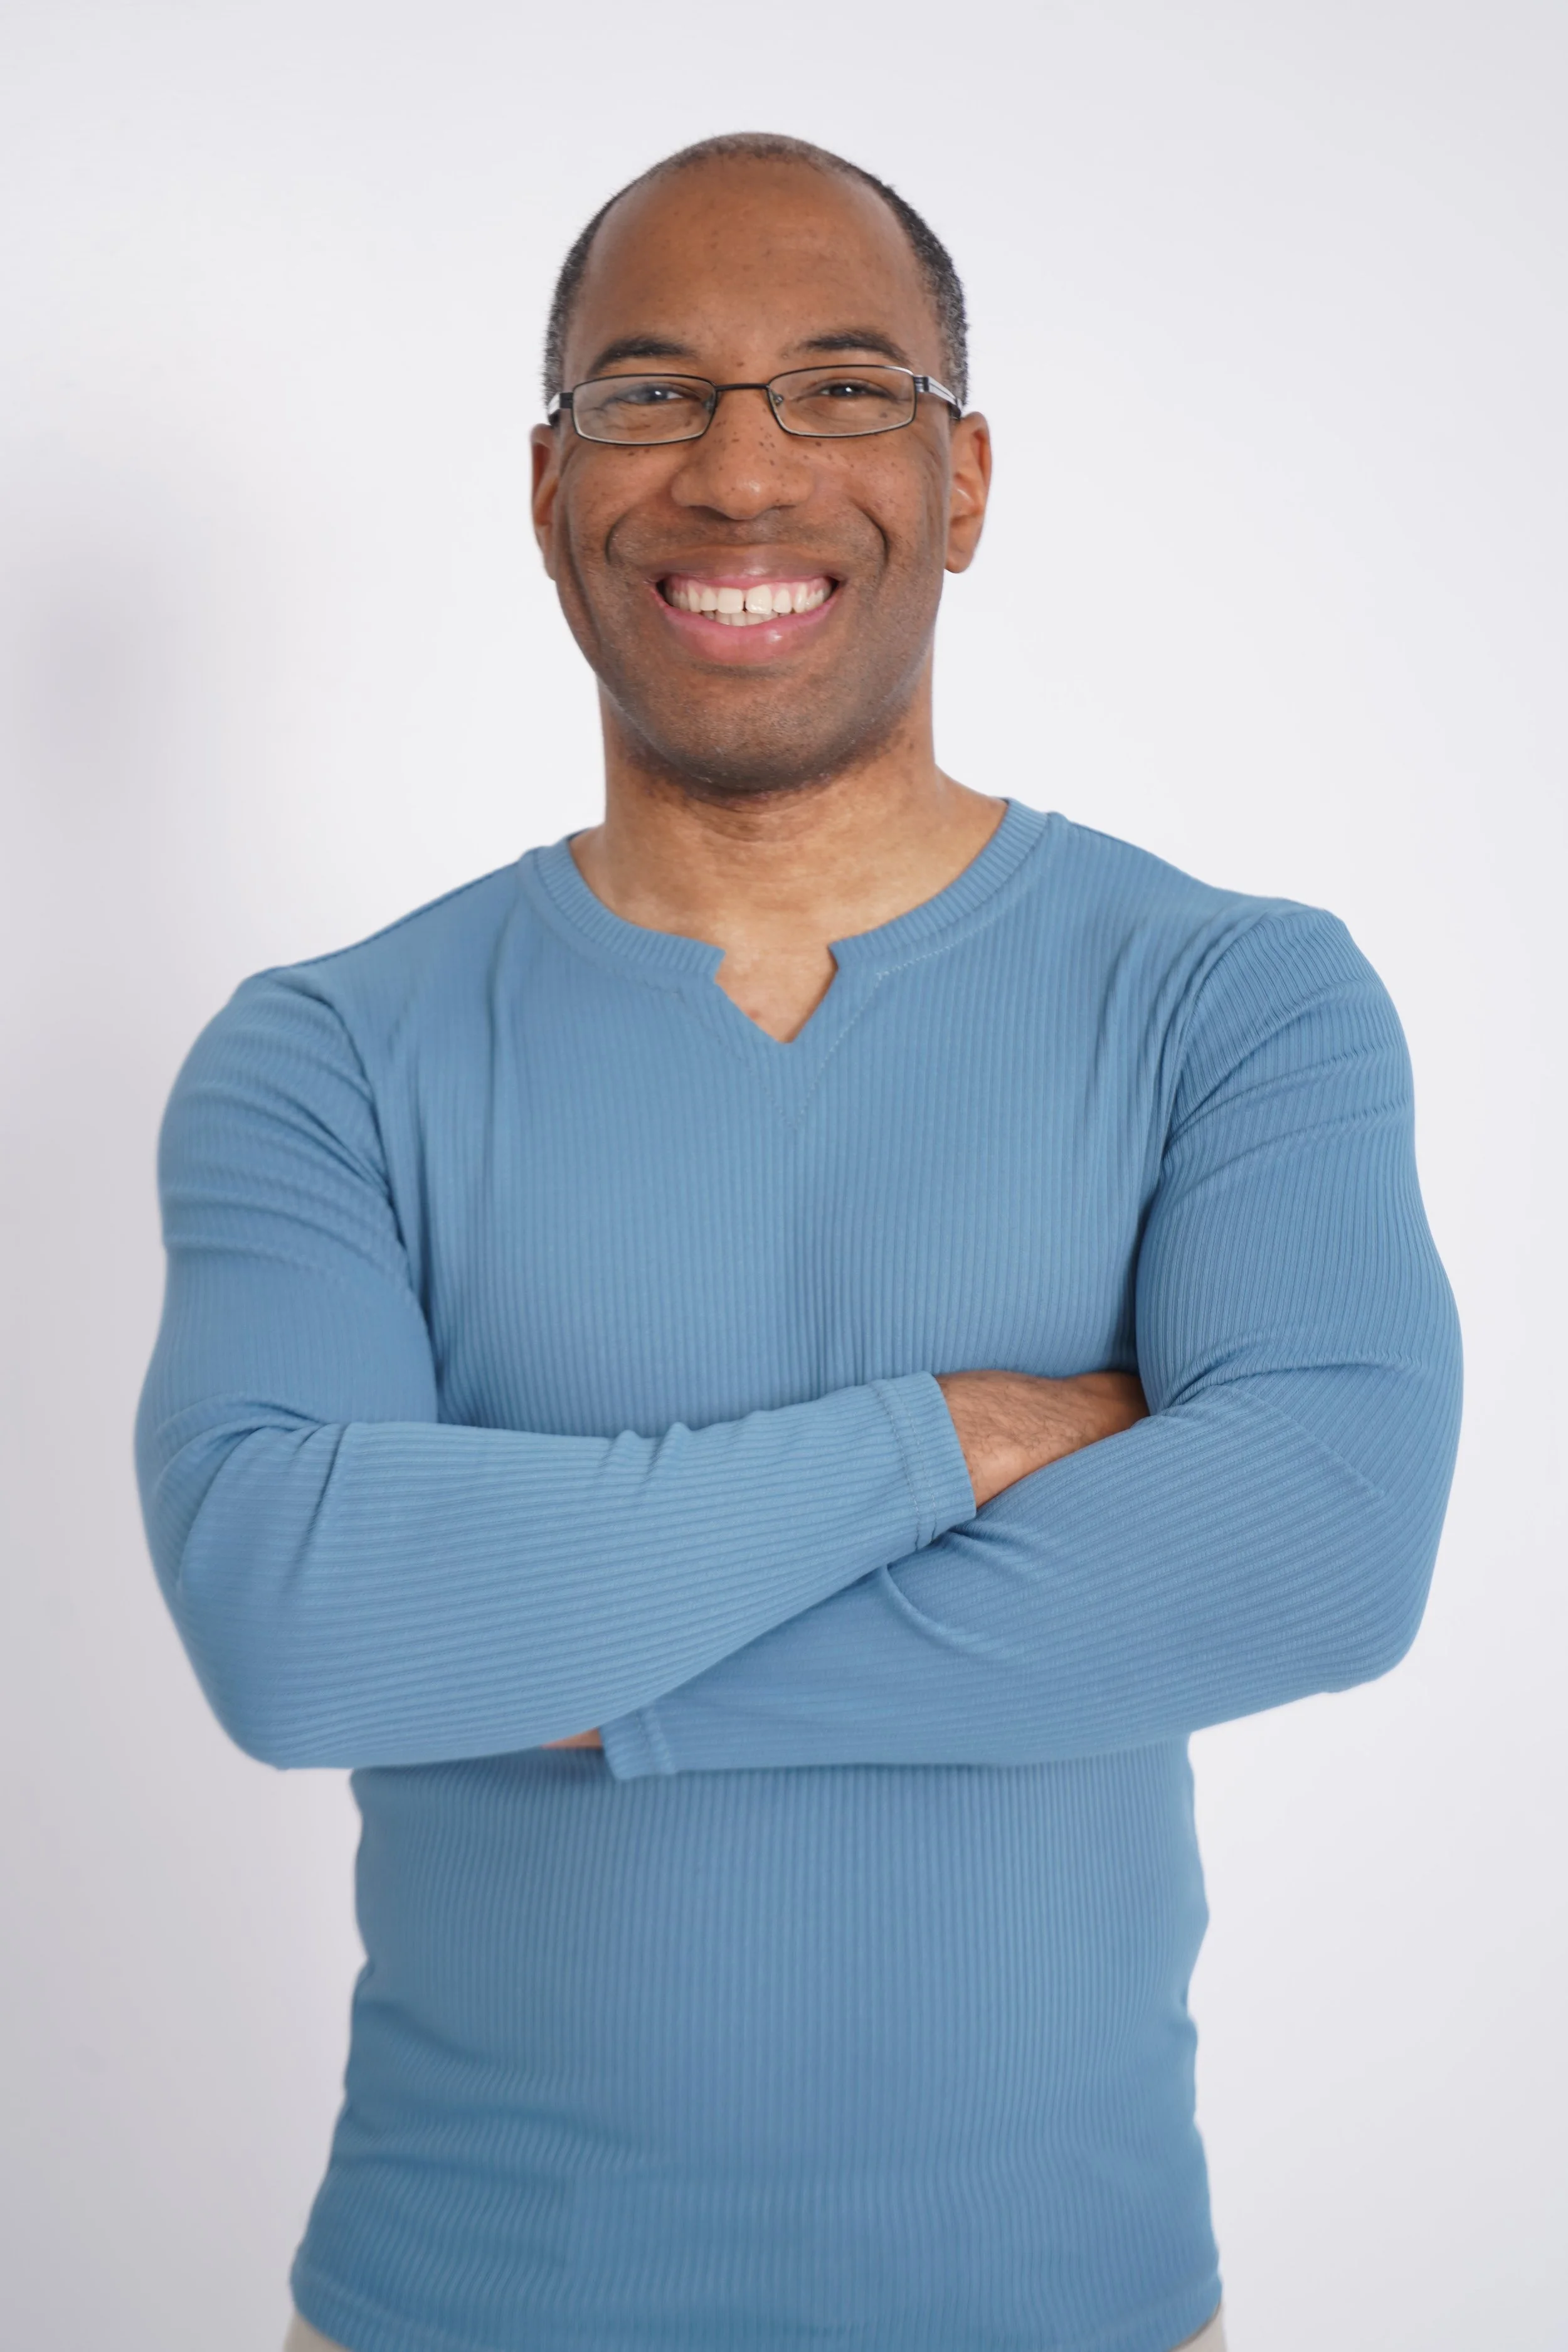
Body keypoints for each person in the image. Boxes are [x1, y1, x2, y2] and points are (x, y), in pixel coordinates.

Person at [135, 132, 1463, 2352]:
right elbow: (293, 1621)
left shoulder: (1233, 1001)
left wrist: (545, 1655)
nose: (740, 471)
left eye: (843, 388)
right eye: (648, 393)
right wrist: (945, 1437)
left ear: (962, 478)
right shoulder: (327, 1056)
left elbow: (1319, 1553)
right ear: (548, 487)